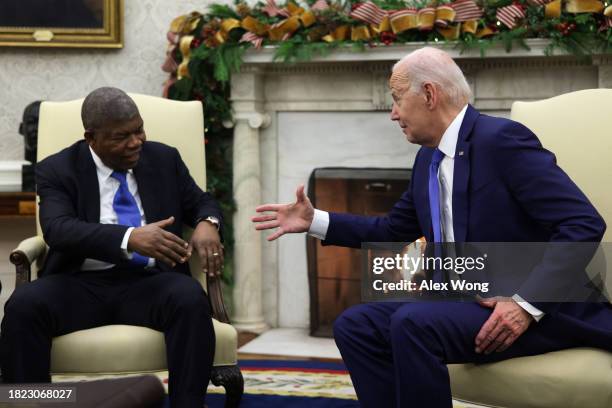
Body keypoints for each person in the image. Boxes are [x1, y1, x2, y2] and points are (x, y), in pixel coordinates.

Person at [251, 47, 612, 407]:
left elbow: (582, 223)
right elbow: (394, 229)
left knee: (413, 322)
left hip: (539, 311)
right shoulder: (428, 158)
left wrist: (525, 304)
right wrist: (314, 220)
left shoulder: (502, 141)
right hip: (465, 301)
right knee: (355, 325)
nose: (392, 114)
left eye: (396, 99)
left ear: (428, 94)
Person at [1, 87, 224, 408]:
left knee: (189, 299)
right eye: (122, 137)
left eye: (139, 130)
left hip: (150, 284)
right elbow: (58, 229)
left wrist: (207, 223)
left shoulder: (164, 158)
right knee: (24, 305)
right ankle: (30, 404)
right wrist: (129, 238)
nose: (136, 142)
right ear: (91, 138)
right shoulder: (58, 169)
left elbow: (202, 201)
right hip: (79, 284)